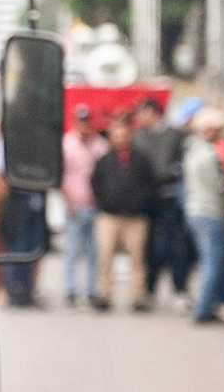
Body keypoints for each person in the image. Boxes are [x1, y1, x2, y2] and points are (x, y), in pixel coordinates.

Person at [89, 113, 154, 313]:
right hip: (109, 216)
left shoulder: (141, 160)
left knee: (137, 259)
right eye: (117, 136)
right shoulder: (104, 161)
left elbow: (150, 185)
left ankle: (138, 296)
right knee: (105, 258)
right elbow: (96, 184)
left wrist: (140, 203)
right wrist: (105, 201)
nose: (121, 139)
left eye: (124, 135)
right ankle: (104, 294)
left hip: (135, 218)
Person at [131, 98, 190, 310]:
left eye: (143, 113)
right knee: (151, 247)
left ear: (153, 112)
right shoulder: (139, 137)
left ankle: (179, 289)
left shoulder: (175, 134)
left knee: (177, 246)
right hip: (148, 197)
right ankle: (150, 289)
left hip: (171, 196)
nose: (141, 117)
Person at [183, 107, 224, 325]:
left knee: (209, 260)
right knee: (212, 262)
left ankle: (209, 303)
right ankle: (204, 307)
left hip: (195, 210)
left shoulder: (191, 152)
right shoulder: (210, 155)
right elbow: (220, 188)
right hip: (212, 212)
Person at [58, 105, 107, 309]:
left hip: (95, 205)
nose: (84, 126)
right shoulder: (67, 144)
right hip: (75, 205)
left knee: (94, 252)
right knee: (72, 250)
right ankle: (71, 289)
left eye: (87, 122)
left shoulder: (101, 146)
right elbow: (60, 175)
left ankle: (91, 290)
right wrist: (68, 200)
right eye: (81, 122)